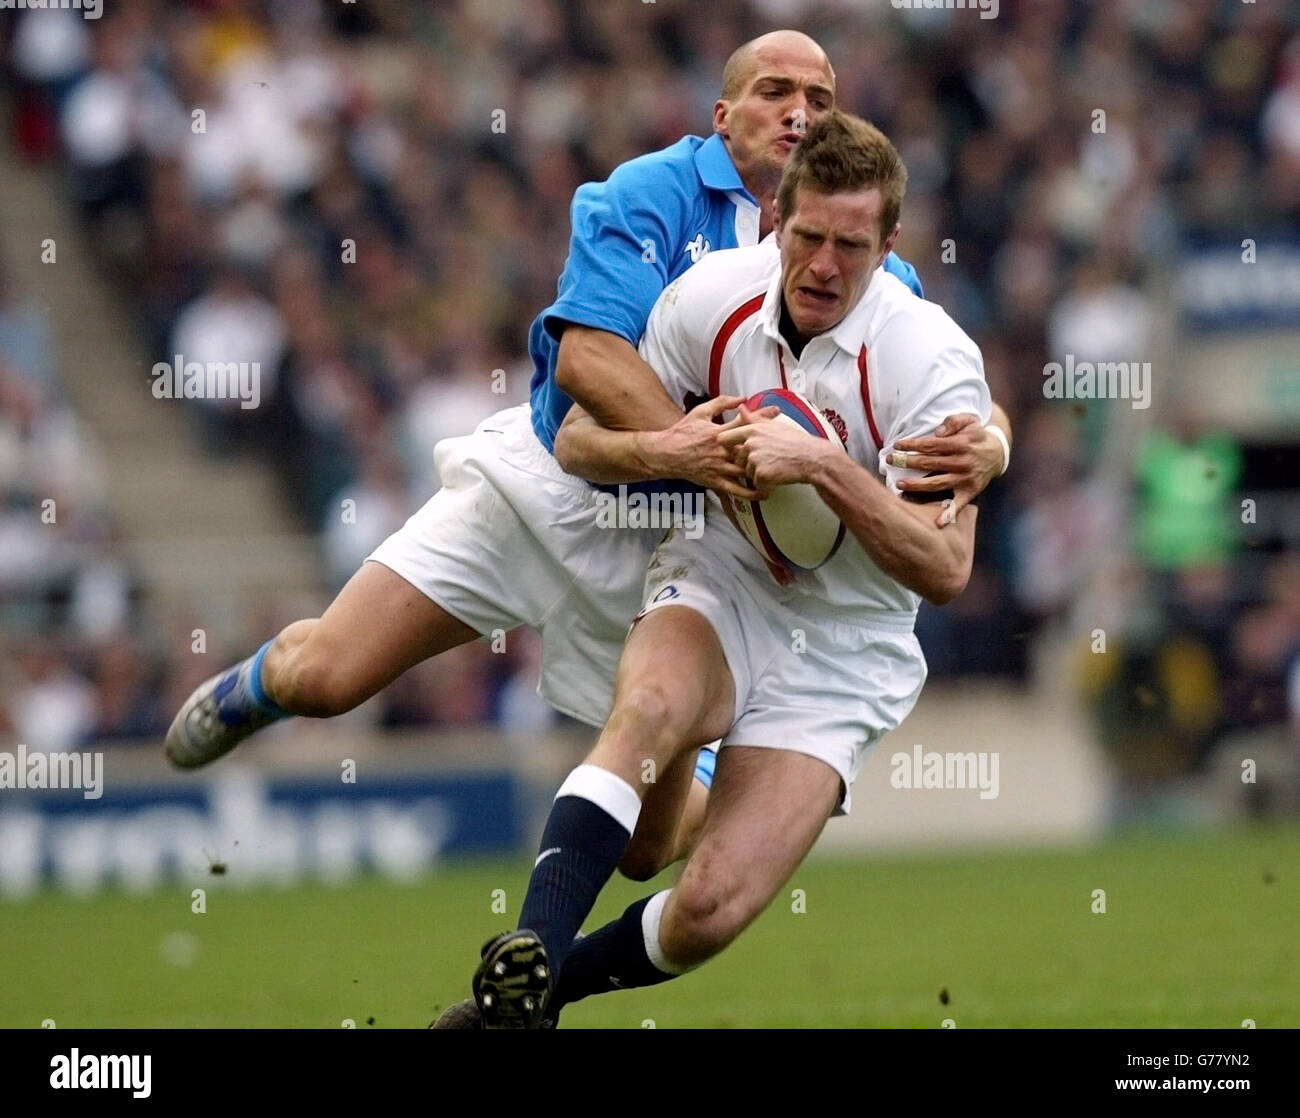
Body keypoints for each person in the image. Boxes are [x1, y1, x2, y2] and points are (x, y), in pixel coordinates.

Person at [165, 32, 1010, 878]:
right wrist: (709, 456)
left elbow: (939, 373)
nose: (798, 112)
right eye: (773, 91)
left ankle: (685, 780)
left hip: (681, 551)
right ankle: (257, 685)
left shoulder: (852, 256)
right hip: (552, 487)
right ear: (722, 115)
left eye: (819, 100)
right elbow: (588, 358)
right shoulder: (652, 193)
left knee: (651, 849)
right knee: (328, 678)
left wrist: (996, 443)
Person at [459, 110, 989, 1029]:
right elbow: (579, 436)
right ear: (777, 216)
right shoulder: (711, 298)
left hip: (848, 643)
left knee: (706, 909)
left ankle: (550, 995)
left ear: (891, 243)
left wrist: (822, 465)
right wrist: (675, 447)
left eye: (852, 246)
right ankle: (528, 954)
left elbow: (944, 567)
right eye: (810, 236)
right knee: (650, 710)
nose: (824, 265)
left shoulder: (927, 358)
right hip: (722, 569)